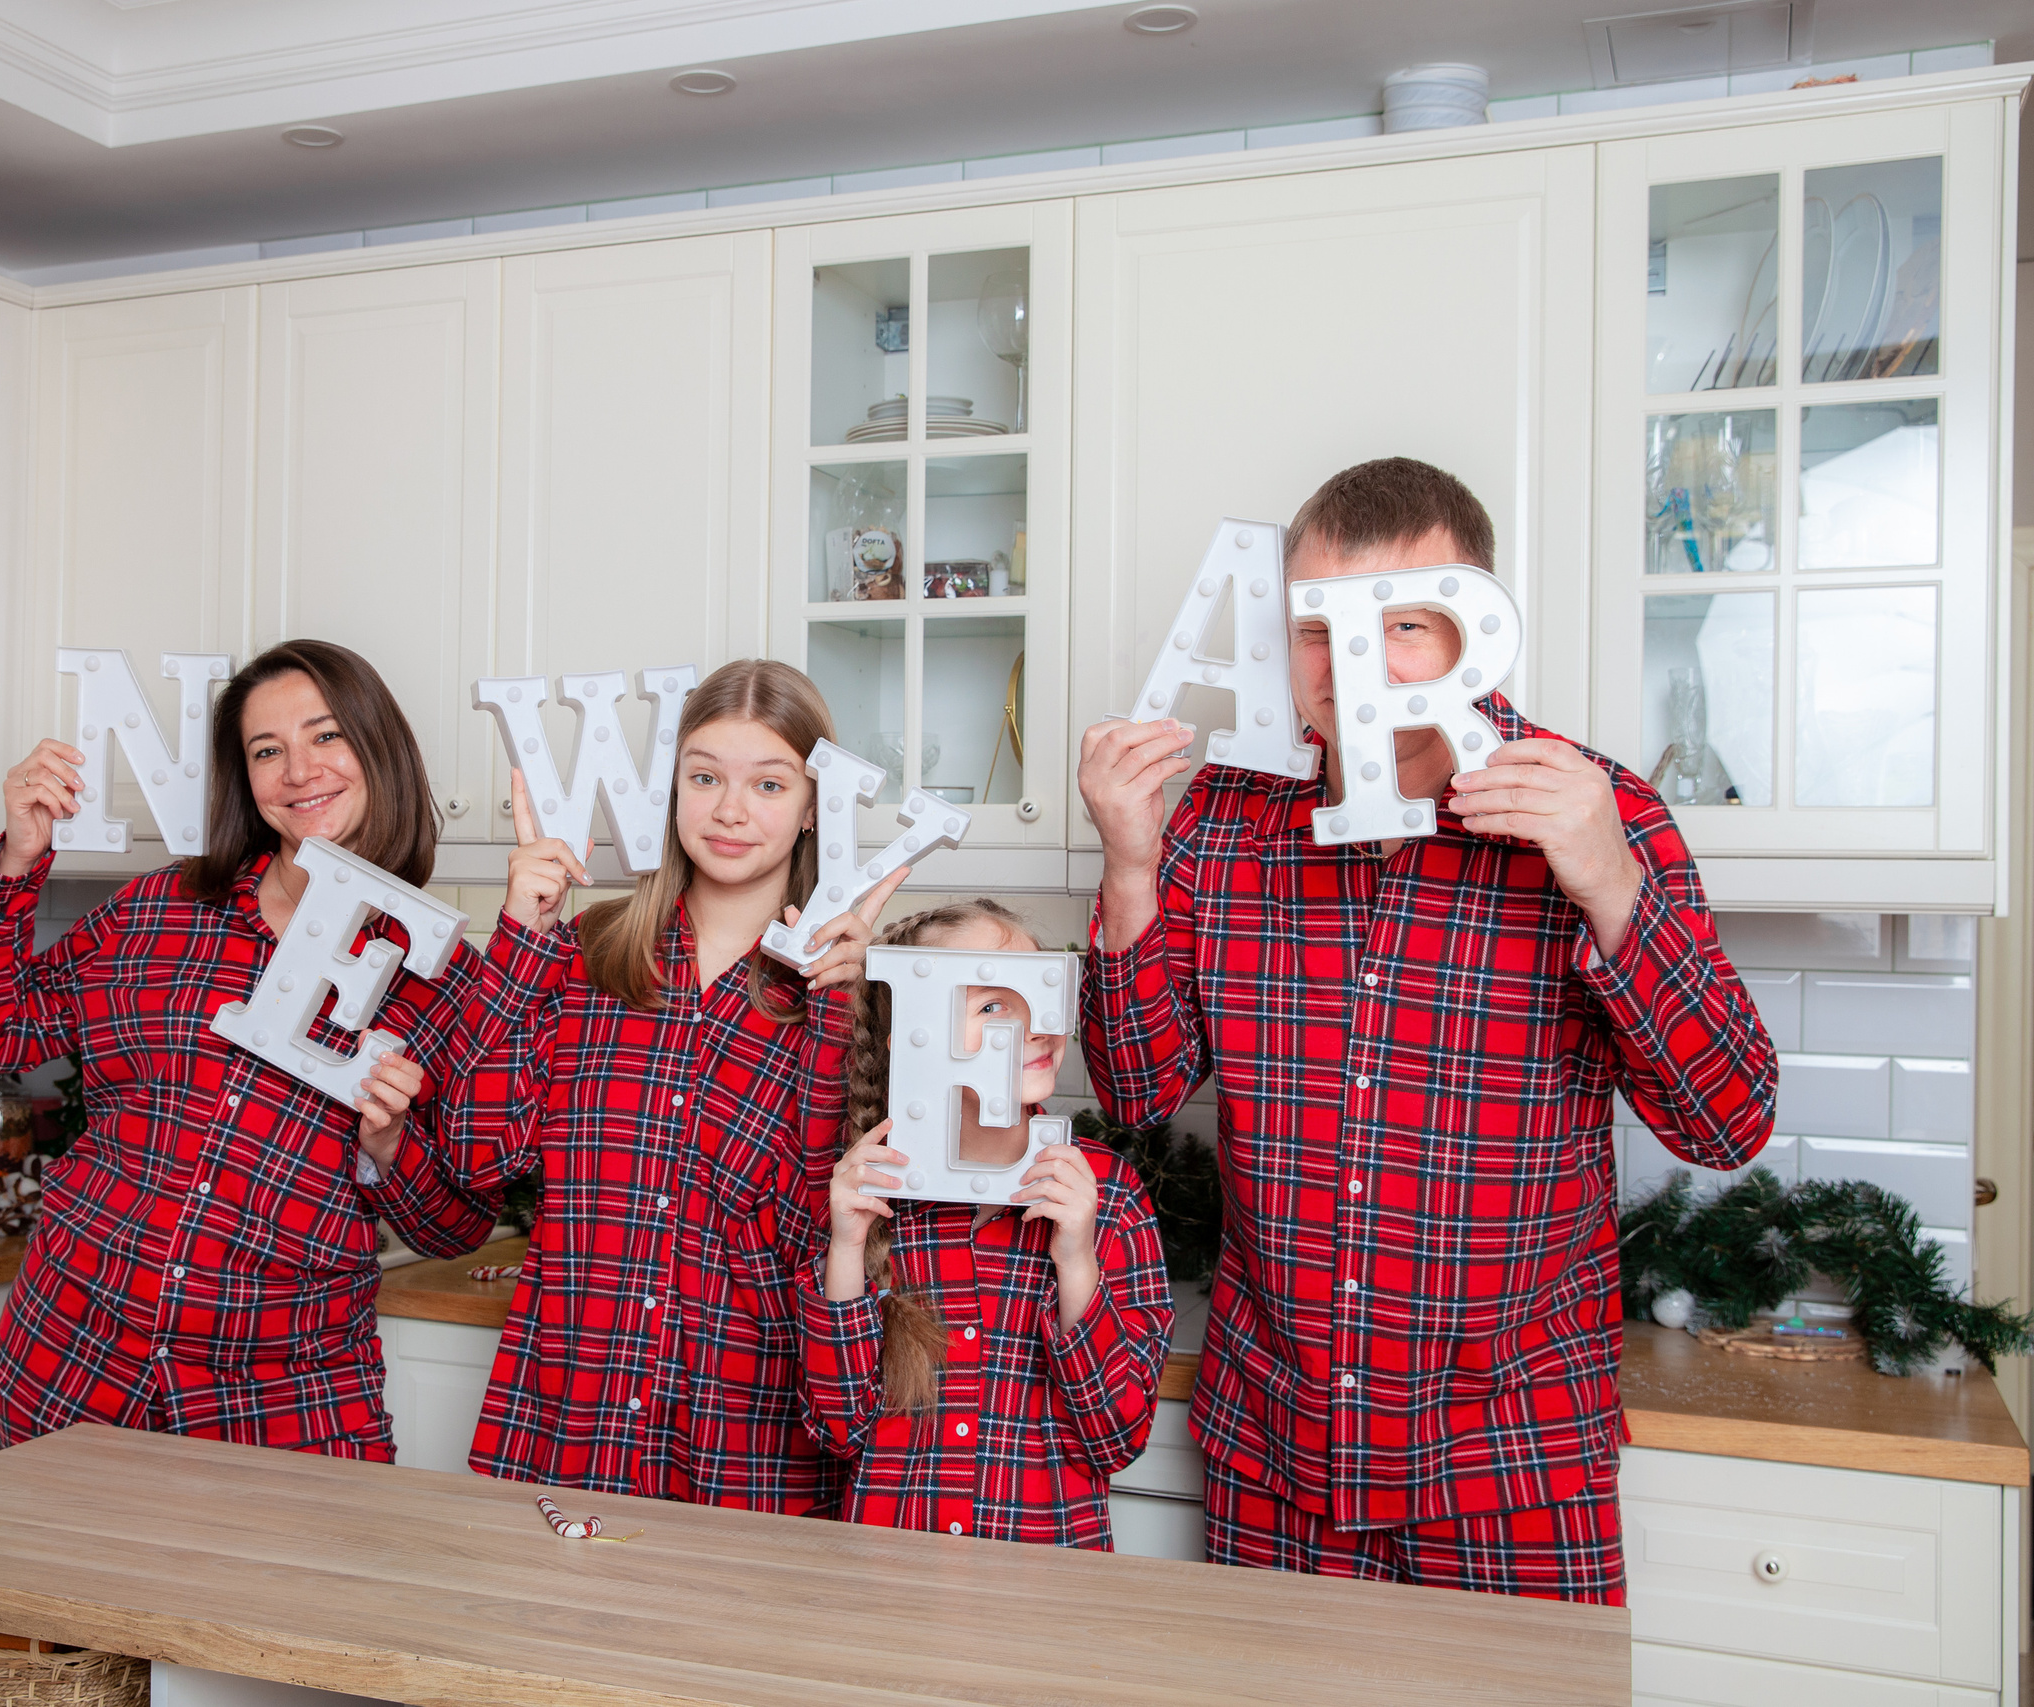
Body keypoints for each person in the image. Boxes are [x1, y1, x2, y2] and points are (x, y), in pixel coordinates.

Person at [1077, 457, 1776, 1602]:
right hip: (1276, 1453)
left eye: (1402, 623)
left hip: (1509, 1463)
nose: (1348, 665)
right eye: (1317, 626)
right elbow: (1140, 1088)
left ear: (1475, 631)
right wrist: (1129, 865)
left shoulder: (1597, 808)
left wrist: (1607, 885)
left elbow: (1727, 1120)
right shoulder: (1226, 812)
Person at [0, 639, 498, 1456]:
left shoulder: (445, 979)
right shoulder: (156, 910)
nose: (299, 771)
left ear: (379, 749)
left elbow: (457, 1227)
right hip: (70, 1364)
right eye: (266, 750)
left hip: (284, 1404)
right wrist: (18, 862)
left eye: (326, 735)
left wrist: (387, 1141)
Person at [445, 659, 900, 1513]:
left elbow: (829, 1233)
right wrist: (517, 936)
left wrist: (841, 1010)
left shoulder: (850, 993)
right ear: (672, 790)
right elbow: (476, 1152)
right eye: (705, 777)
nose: (731, 810)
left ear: (813, 811)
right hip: (564, 1434)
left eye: (769, 783)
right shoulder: (585, 953)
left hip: (744, 1452)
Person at [801, 900, 1171, 1547]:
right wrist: (846, 1247)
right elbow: (838, 1429)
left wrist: (1077, 1259)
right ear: (914, 1031)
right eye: (992, 1005)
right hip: (887, 1583)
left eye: (1038, 996)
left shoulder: (1108, 1193)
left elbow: (1118, 1436)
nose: (1030, 1026)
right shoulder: (871, 1193)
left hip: (1046, 1593)